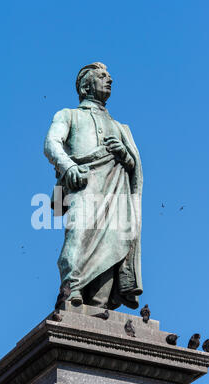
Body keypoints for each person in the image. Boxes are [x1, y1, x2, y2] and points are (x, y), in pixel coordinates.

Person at [44, 62, 143, 310]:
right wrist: (68, 167)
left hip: (116, 191)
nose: (109, 80)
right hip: (83, 183)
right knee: (78, 233)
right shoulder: (68, 115)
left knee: (114, 241)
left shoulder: (121, 128)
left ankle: (99, 305)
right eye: (102, 76)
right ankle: (72, 288)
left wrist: (125, 154)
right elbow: (51, 143)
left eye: (110, 76)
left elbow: (133, 167)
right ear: (86, 85)